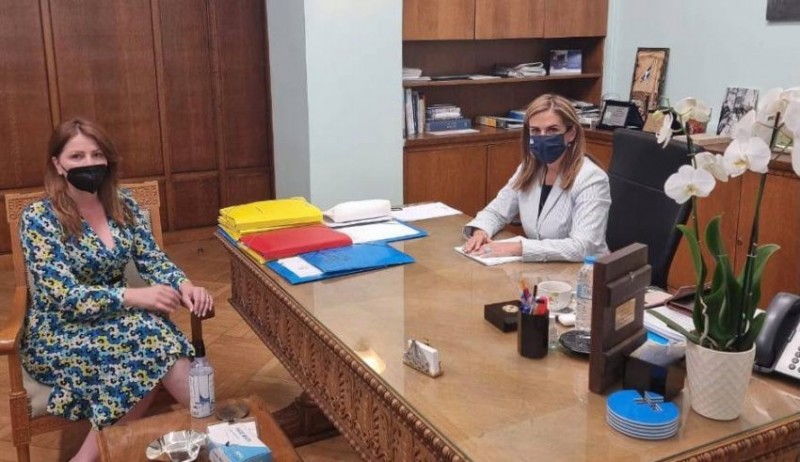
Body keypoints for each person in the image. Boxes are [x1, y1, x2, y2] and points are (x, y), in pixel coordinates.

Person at [19, 118, 214, 462]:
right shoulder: (38, 218)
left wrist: (184, 285)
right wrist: (133, 296)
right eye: (77, 156)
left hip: (121, 318)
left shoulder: (123, 204)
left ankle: (213, 434)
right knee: (154, 342)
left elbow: (152, 259)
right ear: (58, 164)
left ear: (108, 159)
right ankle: (219, 435)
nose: (89, 163)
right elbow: (61, 295)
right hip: (61, 329)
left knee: (152, 340)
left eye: (97, 154)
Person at [463, 94, 611, 262]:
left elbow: (582, 247)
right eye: (535, 131)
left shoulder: (591, 178)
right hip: (542, 269)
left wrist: (517, 248)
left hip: (584, 270)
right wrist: (480, 232)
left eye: (552, 130)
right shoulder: (528, 170)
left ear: (571, 133)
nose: (543, 137)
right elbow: (496, 212)